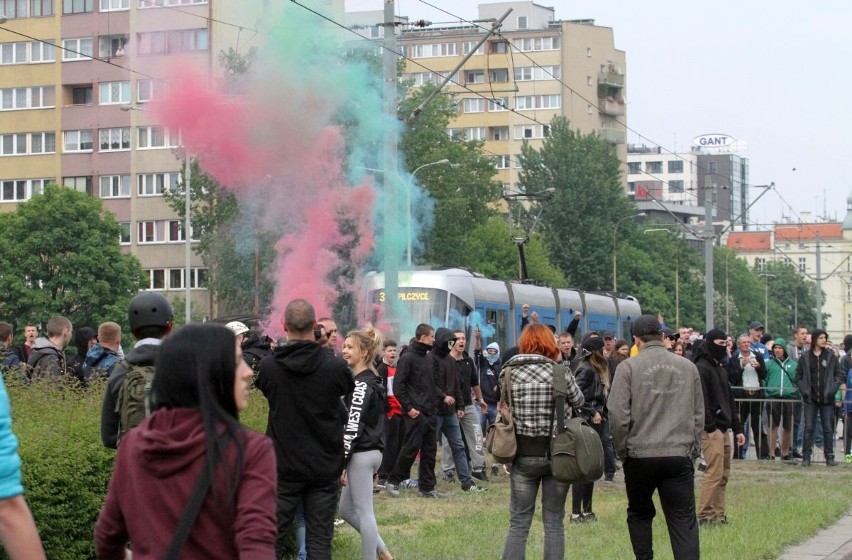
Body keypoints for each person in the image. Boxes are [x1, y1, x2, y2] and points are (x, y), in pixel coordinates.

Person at [94, 324, 276, 559]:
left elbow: (107, 538)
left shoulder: (135, 444)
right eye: (237, 361)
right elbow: (257, 547)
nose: (248, 371)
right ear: (208, 373)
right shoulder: (249, 450)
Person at [256, 299, 354, 559]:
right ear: (315, 327)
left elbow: (265, 389)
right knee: (320, 540)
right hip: (324, 465)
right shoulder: (334, 367)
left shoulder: (269, 367)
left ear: (284, 325)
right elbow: (347, 389)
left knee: (271, 539)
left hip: (282, 465)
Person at [608, 315, 703, 560]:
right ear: (662, 337)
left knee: (639, 514)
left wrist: (623, 451)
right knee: (683, 520)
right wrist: (692, 450)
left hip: (639, 455)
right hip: (678, 454)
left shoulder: (627, 368)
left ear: (636, 340)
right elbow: (698, 414)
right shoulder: (688, 367)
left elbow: (618, 416)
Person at [500, 324, 584, 560]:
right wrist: (559, 361)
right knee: (554, 521)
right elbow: (579, 400)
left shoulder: (508, 371)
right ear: (551, 344)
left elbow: (504, 404)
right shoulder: (559, 371)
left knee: (519, 523)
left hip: (523, 454)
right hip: (559, 454)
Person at [339, 326, 395, 560]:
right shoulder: (372, 381)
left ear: (364, 352)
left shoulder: (361, 385)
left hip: (361, 453)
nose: (344, 351)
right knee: (346, 509)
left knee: (364, 512)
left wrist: (342, 460)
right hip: (371, 451)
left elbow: (353, 426)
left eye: (350, 347)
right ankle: (383, 553)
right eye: (343, 346)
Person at [100, 292, 173, 449]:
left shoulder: (120, 372)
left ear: (133, 332)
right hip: (176, 467)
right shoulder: (185, 369)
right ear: (170, 326)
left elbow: (108, 437)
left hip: (133, 467)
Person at [693, 329, 745, 526]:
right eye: (721, 343)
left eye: (727, 344)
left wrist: (738, 428)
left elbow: (729, 400)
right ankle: (705, 515)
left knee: (723, 475)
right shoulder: (701, 368)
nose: (724, 347)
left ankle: (718, 514)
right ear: (710, 343)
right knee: (713, 474)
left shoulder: (720, 369)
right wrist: (711, 427)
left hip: (724, 430)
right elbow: (702, 402)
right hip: (712, 431)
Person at [385, 324, 439, 498]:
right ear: (423, 337)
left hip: (430, 413)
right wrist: (409, 408)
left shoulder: (429, 357)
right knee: (410, 449)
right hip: (416, 413)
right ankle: (393, 481)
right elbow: (398, 386)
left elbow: (431, 385)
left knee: (430, 451)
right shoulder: (407, 358)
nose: (434, 339)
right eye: (432, 336)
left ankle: (427, 487)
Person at [431, 327, 482, 492]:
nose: (451, 344)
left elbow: (457, 387)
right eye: (449, 341)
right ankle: (428, 480)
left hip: (451, 411)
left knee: (458, 445)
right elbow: (429, 384)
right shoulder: (430, 359)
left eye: (453, 341)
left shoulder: (452, 361)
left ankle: (467, 482)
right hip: (435, 410)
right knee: (431, 446)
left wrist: (459, 406)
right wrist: (443, 396)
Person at [571, 336, 610, 521]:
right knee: (582, 468)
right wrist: (592, 411)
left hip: (596, 422)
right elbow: (576, 396)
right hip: (585, 423)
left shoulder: (596, 369)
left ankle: (587, 510)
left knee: (592, 467)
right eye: (602, 348)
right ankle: (576, 512)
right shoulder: (586, 370)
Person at [442, 329, 489, 482]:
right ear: (452, 343)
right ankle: (448, 470)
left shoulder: (468, 361)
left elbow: (474, 383)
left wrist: (481, 400)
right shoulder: (445, 361)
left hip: (468, 405)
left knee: (477, 435)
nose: (461, 341)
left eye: (463, 338)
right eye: (458, 339)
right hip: (450, 407)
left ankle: (478, 468)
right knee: (449, 441)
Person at [796, 329, 846, 467]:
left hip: (826, 399)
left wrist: (832, 389)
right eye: (821, 338)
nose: (824, 340)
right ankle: (806, 457)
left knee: (828, 429)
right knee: (809, 428)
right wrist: (804, 390)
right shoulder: (805, 357)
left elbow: (839, 374)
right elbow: (798, 375)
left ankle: (829, 456)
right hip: (810, 399)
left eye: (825, 337)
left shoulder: (831, 357)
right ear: (815, 340)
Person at [727, 334, 770, 459]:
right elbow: (732, 379)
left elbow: (764, 375)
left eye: (748, 342)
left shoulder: (757, 356)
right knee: (739, 426)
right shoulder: (734, 359)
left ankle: (763, 455)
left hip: (756, 395)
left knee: (758, 426)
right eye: (744, 343)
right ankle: (739, 454)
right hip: (742, 395)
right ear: (739, 345)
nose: (746, 344)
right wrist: (741, 367)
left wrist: (758, 367)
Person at [764, 338, 799, 460]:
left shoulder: (794, 365)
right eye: (775, 348)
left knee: (788, 426)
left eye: (780, 348)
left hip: (788, 398)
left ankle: (785, 452)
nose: (777, 350)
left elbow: (797, 380)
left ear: (784, 349)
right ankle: (772, 452)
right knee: (773, 426)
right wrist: (768, 391)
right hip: (773, 397)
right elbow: (765, 380)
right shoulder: (769, 364)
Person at [376, 339, 402, 487]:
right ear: (383, 353)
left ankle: (393, 473)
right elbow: (382, 392)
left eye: (394, 350)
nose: (393, 353)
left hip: (399, 412)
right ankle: (383, 476)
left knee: (396, 445)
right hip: (390, 413)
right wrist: (388, 410)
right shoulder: (382, 369)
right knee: (388, 445)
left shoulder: (396, 368)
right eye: (390, 350)